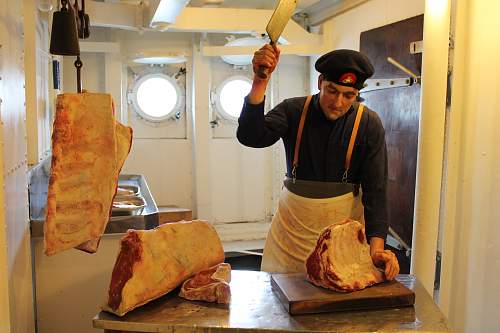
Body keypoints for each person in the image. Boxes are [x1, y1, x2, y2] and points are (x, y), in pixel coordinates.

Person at [236, 45, 400, 280]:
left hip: (344, 239)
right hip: (292, 234)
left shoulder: (368, 124)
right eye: (332, 91)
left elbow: (376, 192)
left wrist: (376, 250)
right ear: (320, 82)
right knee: (281, 296)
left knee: (340, 297)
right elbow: (250, 136)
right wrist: (260, 81)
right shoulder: (294, 111)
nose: (339, 103)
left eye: (349, 95)